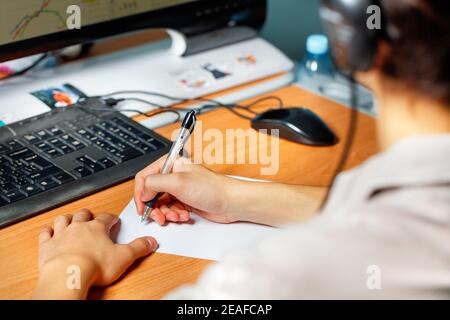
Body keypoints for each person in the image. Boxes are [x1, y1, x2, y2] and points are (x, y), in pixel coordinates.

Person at [33, 0, 449, 299]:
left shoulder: (274, 281)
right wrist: (235, 198)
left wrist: (66, 269)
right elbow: (391, 209)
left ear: (353, 34)